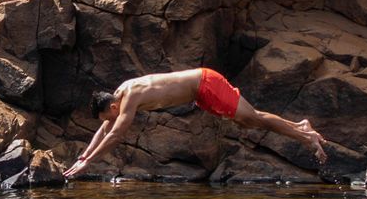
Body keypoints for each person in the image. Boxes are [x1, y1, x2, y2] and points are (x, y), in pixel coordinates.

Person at [63, 68, 326, 178]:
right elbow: (105, 128)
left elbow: (116, 135)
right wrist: (84, 155)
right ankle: (301, 127)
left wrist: (88, 163)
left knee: (252, 118)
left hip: (205, 85)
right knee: (249, 122)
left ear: (112, 107)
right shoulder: (119, 94)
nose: (110, 120)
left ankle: (305, 135)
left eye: (110, 115)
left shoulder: (131, 96)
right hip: (201, 92)